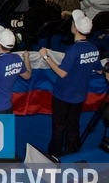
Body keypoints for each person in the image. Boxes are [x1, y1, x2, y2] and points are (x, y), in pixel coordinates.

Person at [42, 10, 101, 158]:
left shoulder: (73, 50)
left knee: (59, 126)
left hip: (63, 95)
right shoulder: (93, 48)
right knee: (73, 124)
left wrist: (46, 57)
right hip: (80, 95)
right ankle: (71, 152)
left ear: (75, 28)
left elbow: (62, 73)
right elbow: (100, 70)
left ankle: (53, 155)